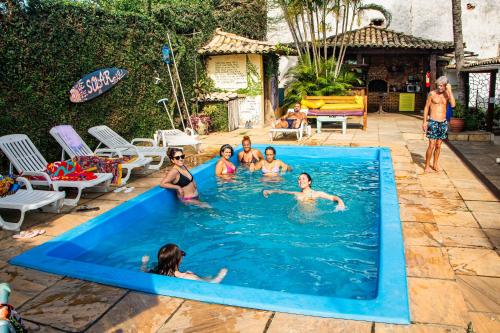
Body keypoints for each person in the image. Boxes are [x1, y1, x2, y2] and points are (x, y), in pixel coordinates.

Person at [141, 244, 227, 283]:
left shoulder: (155, 270)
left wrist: (144, 263)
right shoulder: (187, 277)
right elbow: (211, 285)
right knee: (195, 274)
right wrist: (220, 275)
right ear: (179, 260)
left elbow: (143, 273)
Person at [422, 76, 456, 173]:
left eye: (442, 86)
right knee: (431, 145)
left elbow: (453, 105)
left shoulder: (447, 94)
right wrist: (424, 121)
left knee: (438, 145)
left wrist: (450, 91)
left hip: (443, 122)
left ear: (446, 86)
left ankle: (435, 164)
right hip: (433, 121)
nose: (440, 87)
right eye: (439, 85)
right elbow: (426, 107)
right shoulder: (432, 94)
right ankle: (427, 165)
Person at [263, 172, 345, 210]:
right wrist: (270, 191)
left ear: (309, 182)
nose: (300, 181)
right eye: (299, 179)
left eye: (303, 179)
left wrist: (340, 203)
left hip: (313, 218)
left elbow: (333, 197)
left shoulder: (317, 193)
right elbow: (282, 191)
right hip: (298, 218)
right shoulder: (296, 193)